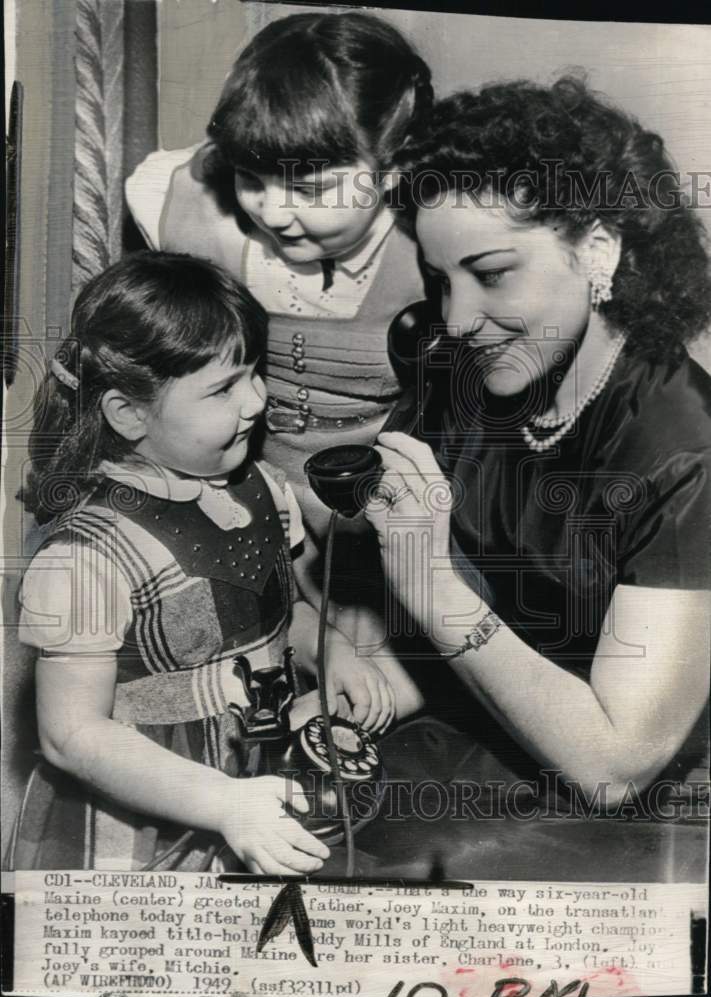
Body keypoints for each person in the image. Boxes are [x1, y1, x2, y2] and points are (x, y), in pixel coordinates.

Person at [366, 76, 711, 806]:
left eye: (491, 274)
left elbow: (613, 769)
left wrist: (427, 587)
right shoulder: (467, 374)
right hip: (478, 735)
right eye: (439, 279)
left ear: (597, 253)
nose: (456, 318)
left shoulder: (688, 453)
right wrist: (361, 688)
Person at [13, 251, 397, 875]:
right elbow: (71, 736)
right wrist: (222, 803)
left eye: (254, 372)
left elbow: (282, 611)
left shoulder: (264, 488)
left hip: (259, 778)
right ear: (128, 414)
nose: (257, 400)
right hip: (145, 819)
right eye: (223, 388)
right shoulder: (82, 561)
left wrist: (331, 649)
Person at [125, 12, 433, 679]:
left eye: (310, 188)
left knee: (388, 683)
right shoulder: (179, 199)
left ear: (392, 169)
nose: (272, 211)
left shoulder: (437, 245)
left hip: (372, 524)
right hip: (228, 498)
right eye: (252, 177)